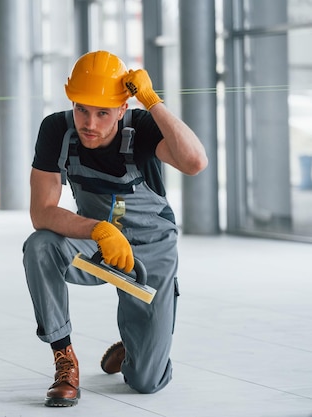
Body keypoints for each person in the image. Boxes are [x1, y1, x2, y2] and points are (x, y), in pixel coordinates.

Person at [22, 50, 208, 407]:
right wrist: (99, 231)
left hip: (150, 250)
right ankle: (65, 360)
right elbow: (42, 213)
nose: (89, 122)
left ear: (122, 109)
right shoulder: (57, 130)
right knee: (40, 245)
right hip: (96, 246)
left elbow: (194, 162)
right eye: (81, 109)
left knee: (147, 383)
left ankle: (136, 348)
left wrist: (152, 102)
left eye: (103, 112)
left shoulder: (142, 127)